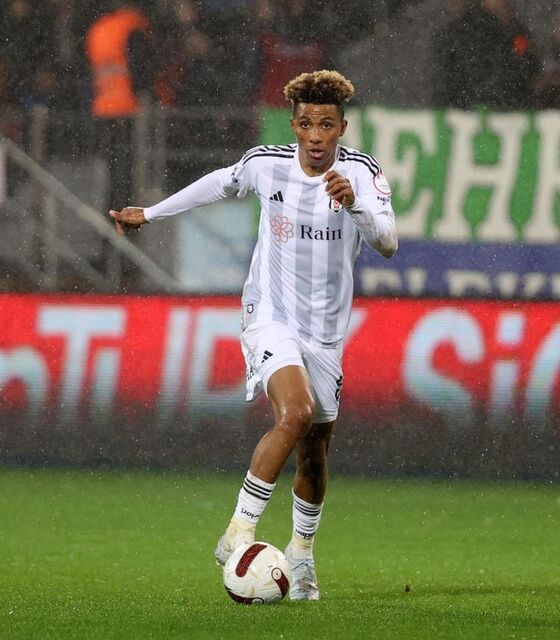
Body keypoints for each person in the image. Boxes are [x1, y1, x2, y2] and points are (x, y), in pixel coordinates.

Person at [109, 70, 398, 601]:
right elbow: (217, 184)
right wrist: (149, 213)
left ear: (342, 128)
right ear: (294, 126)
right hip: (270, 313)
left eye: (326, 125)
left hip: (326, 332)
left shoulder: (362, 173)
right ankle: (239, 531)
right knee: (296, 412)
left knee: (315, 453)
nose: (315, 136)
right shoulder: (267, 164)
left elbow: (388, 242)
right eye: (306, 124)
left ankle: (302, 556)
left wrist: (355, 203)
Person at [433, 0, 540, 110]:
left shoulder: (514, 30)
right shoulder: (467, 29)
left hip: (504, 105)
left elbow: (529, 68)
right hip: (476, 105)